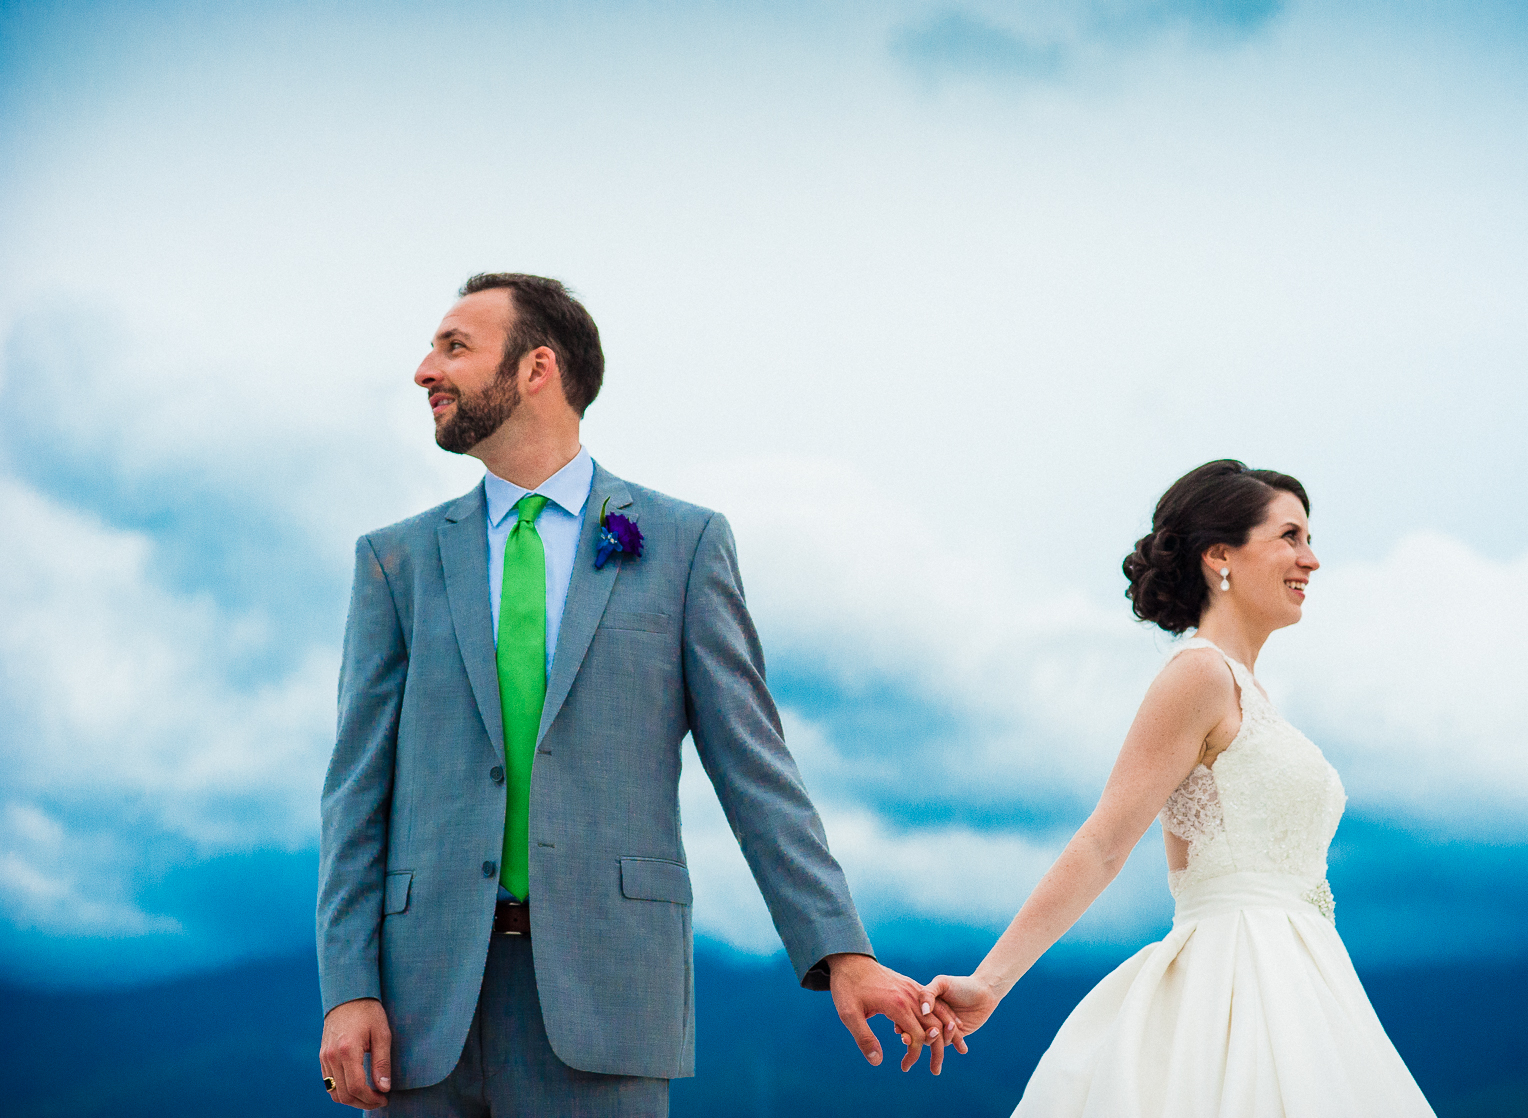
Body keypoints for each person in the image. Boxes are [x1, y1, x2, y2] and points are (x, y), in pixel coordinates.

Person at [316, 273, 957, 1117]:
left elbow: (754, 769)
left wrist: (842, 952)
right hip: (418, 1013)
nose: (425, 370)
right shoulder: (392, 561)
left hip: (609, 1002)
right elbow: (356, 792)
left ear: (538, 368)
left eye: (455, 347)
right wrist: (347, 987)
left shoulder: (685, 545)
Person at [920, 460, 1436, 1115]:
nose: (1311, 560)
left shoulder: (1254, 696)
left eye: (1309, 539)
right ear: (1220, 555)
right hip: (1235, 981)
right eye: (1290, 537)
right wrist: (990, 983)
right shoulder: (1198, 676)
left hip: (1305, 977)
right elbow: (1105, 842)